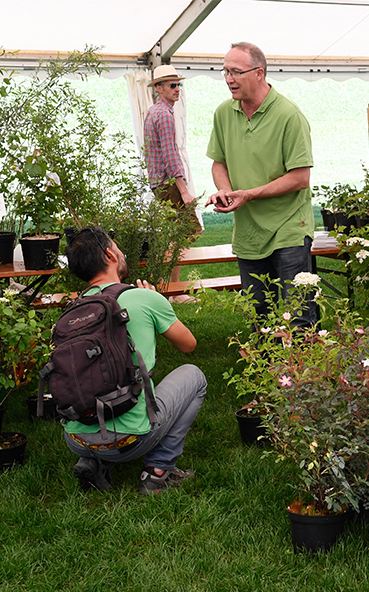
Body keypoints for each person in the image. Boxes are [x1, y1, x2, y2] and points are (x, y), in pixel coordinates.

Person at [63, 226, 207, 494]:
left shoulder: (74, 308)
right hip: (132, 440)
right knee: (195, 376)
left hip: (75, 437)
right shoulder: (143, 297)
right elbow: (188, 345)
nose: (121, 252)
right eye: (117, 248)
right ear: (110, 255)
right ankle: (158, 471)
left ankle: (92, 461)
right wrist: (157, 304)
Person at [206, 42, 315, 327]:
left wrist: (250, 195)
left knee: (298, 314)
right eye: (225, 71)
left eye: (236, 72)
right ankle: (266, 371)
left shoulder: (289, 115)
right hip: (249, 232)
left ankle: (302, 371)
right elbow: (219, 162)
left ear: (259, 73)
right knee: (259, 316)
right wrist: (224, 190)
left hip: (289, 229)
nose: (229, 79)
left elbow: (301, 177)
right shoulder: (223, 113)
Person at [144, 65, 202, 294]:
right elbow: (170, 155)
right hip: (169, 184)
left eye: (179, 84)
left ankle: (167, 288)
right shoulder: (164, 115)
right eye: (172, 85)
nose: (178, 89)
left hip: (159, 183)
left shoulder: (153, 111)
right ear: (159, 88)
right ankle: (169, 289)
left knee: (175, 236)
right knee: (185, 233)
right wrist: (184, 190)